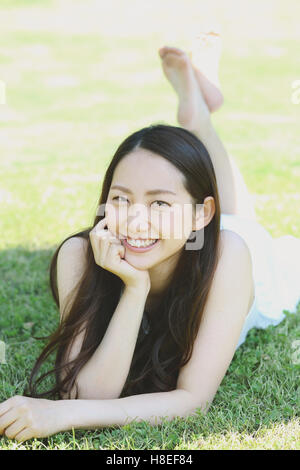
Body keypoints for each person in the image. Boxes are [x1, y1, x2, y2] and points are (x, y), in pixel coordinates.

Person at [0, 35, 299, 442]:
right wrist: (134, 289)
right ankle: (197, 112)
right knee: (221, 213)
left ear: (200, 215)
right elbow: (88, 392)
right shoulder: (78, 254)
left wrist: (63, 416)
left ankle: (199, 120)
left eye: (159, 203)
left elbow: (192, 399)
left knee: (241, 222)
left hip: (245, 260)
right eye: (122, 199)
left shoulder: (231, 256)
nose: (135, 221)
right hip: (194, 232)